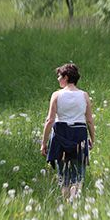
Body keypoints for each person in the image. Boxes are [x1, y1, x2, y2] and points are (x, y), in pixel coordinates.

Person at [40, 63, 96, 201]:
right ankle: (74, 203)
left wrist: (44, 143)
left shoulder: (56, 95)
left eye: (59, 76)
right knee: (78, 176)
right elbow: (89, 120)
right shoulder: (84, 96)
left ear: (66, 77)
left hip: (60, 134)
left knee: (64, 177)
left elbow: (50, 120)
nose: (58, 79)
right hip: (79, 135)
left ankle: (66, 205)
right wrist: (93, 140)